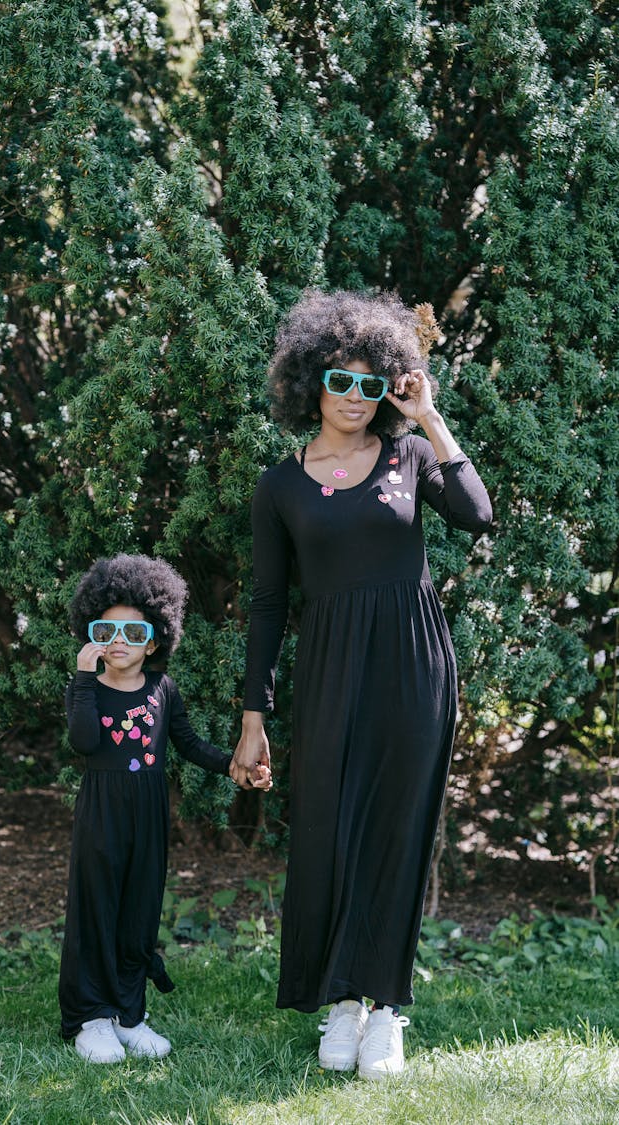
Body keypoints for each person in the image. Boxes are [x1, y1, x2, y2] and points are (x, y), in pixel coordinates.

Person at [230, 290, 492, 1080]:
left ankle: (385, 1010)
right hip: (333, 668)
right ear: (309, 381)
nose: (353, 395)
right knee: (330, 826)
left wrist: (431, 419)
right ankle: (341, 999)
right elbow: (271, 605)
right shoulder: (279, 487)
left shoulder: (409, 456)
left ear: (391, 388)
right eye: (340, 380)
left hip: (414, 665)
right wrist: (254, 715)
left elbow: (477, 516)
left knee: (396, 828)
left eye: (371, 382)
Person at [59, 553, 270, 1064]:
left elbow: (190, 744)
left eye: (134, 634)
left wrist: (233, 767)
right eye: (106, 631)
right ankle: (90, 1017)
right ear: (92, 635)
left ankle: (129, 1014)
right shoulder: (84, 690)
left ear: (154, 641)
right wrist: (85, 679)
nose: (119, 643)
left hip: (148, 812)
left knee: (139, 909)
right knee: (98, 908)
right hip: (102, 812)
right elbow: (84, 743)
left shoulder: (162, 690)